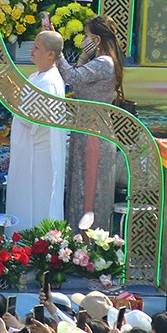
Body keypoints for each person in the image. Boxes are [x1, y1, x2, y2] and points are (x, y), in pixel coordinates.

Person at [62, 15, 123, 229]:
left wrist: (57, 50)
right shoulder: (98, 62)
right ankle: (77, 242)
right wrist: (82, 56)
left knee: (88, 192)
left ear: (97, 39)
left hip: (94, 133)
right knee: (79, 188)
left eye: (86, 36)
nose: (83, 39)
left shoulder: (103, 63)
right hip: (86, 129)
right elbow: (78, 81)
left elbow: (70, 77)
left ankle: (88, 243)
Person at [5, 24, 67, 234]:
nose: (32, 50)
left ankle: (33, 244)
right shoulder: (36, 76)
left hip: (38, 153)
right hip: (27, 149)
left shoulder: (49, 82)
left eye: (37, 48)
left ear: (50, 54)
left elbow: (34, 119)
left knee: (36, 201)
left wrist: (13, 98)